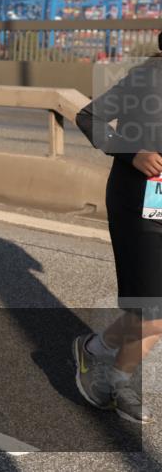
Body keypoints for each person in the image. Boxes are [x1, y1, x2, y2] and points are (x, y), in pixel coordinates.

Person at [73, 36, 162, 424]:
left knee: (154, 308)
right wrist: (134, 152)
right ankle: (117, 380)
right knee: (153, 310)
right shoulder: (145, 80)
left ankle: (96, 347)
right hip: (137, 204)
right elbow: (88, 117)